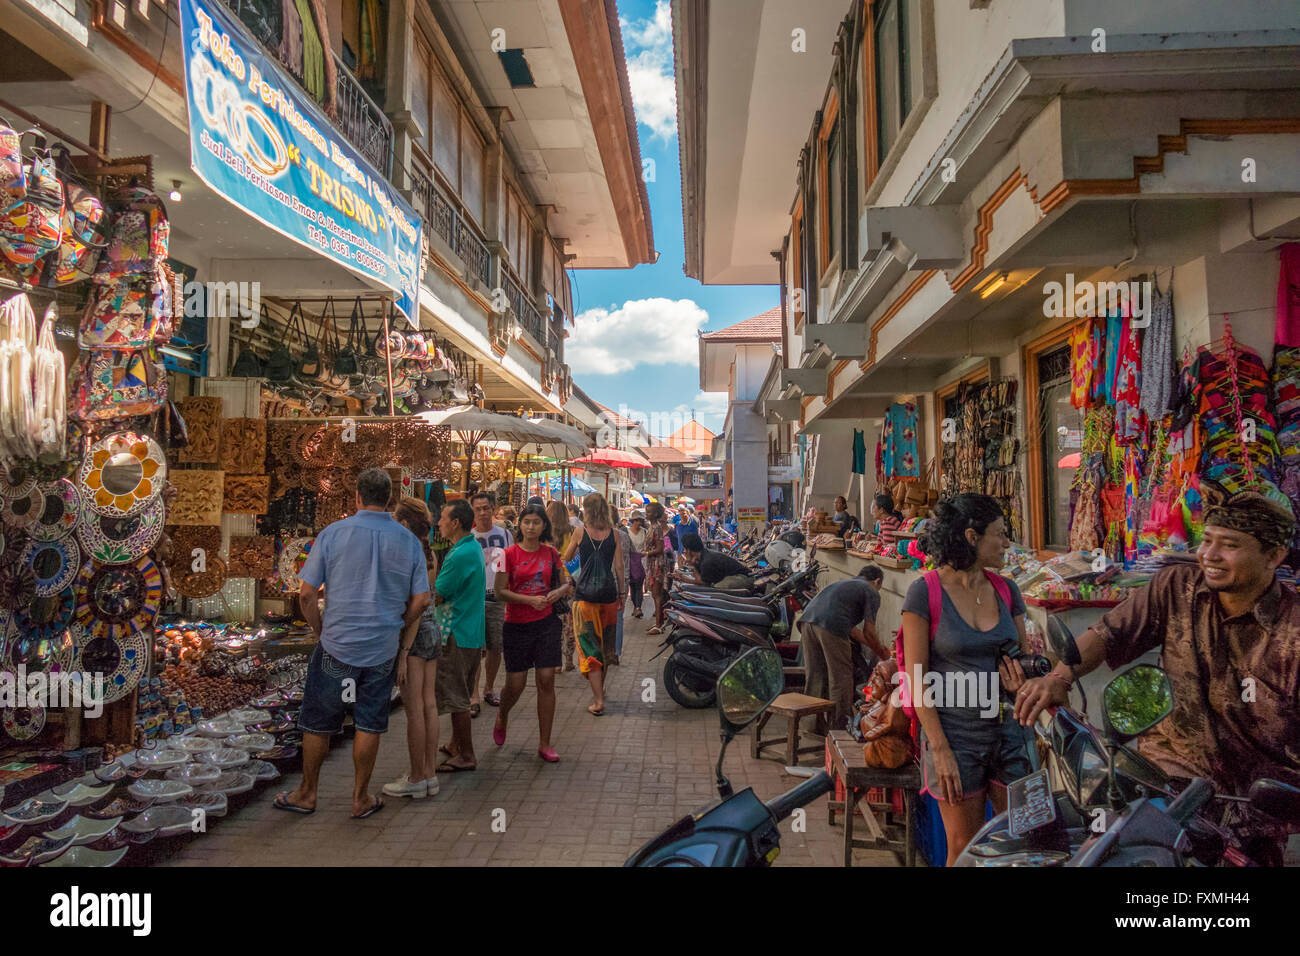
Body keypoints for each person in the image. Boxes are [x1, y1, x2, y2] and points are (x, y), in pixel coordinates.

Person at [1014, 491, 1300, 865]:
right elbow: (1108, 634)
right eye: (1207, 540)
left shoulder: (1293, 631)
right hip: (1161, 787)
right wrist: (1061, 676)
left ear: (1274, 556)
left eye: (1229, 545)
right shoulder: (1177, 588)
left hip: (1248, 811)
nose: (1209, 555)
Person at [277, 469, 429, 818]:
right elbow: (421, 600)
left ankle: (307, 793)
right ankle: (360, 797)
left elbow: (305, 594)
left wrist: (320, 630)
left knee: (318, 721)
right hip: (381, 650)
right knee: (369, 722)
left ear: (357, 497)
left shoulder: (333, 534)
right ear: (390, 499)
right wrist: (396, 625)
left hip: (336, 645)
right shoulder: (407, 541)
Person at [900, 493, 1030, 865]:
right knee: (965, 849)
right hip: (955, 738)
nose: (1007, 544)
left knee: (1019, 840)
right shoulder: (924, 592)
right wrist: (939, 749)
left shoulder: (1008, 590)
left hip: (1010, 734)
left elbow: (1024, 657)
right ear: (972, 537)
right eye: (1000, 534)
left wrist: (1026, 677)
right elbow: (917, 677)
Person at [493, 503, 570, 762]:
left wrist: (557, 592)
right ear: (521, 525)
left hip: (546, 623)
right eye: (527, 522)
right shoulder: (508, 554)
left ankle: (545, 742)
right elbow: (500, 591)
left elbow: (566, 582)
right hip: (516, 624)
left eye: (536, 522)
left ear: (543, 526)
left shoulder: (551, 553)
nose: (531, 526)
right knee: (516, 684)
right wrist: (528, 601)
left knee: (546, 679)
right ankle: (503, 714)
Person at [384, 497, 441, 799]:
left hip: (416, 635)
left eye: (395, 518)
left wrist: (403, 652)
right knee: (428, 704)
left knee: (414, 708)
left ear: (404, 523)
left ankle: (417, 776)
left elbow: (417, 606)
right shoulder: (427, 553)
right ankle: (429, 773)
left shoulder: (411, 553)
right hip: (433, 631)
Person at [798, 565, 889, 732]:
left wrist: (875, 647)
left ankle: (812, 727)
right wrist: (882, 653)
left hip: (807, 622)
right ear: (877, 581)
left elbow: (854, 632)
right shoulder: (871, 591)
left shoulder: (845, 584)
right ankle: (840, 729)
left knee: (816, 675)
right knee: (841, 679)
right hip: (831, 627)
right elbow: (869, 632)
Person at [432, 499, 487, 774]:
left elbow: (439, 593)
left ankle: (466, 754)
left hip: (456, 631)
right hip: (469, 631)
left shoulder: (460, 554)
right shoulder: (469, 547)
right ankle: (456, 744)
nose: (438, 522)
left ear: (455, 523)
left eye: (442, 518)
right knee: (461, 691)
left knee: (456, 697)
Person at [562, 492, 624, 715]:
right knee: (605, 646)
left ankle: (598, 701)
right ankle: (601, 689)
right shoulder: (615, 534)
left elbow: (567, 559)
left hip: (585, 598)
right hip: (608, 596)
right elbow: (619, 567)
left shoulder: (580, 532)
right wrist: (622, 593)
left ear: (586, 511)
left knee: (589, 647)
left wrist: (576, 573)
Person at [470, 491, 512, 713]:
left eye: (486, 508)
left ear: (493, 509)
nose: (483, 512)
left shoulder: (505, 535)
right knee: (476, 647)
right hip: (474, 599)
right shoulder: (468, 536)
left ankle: (489, 688)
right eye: (478, 509)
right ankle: (473, 694)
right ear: (473, 512)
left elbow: (512, 563)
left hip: (497, 598)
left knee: (496, 646)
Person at [548, 499, 578, 670]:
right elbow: (576, 558)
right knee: (569, 623)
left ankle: (556, 661)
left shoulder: (544, 534)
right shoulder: (573, 531)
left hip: (551, 582)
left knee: (554, 622)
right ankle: (568, 660)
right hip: (569, 580)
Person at [676, 533, 753, 590]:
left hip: (744, 578)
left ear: (689, 550)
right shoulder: (703, 555)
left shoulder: (707, 562)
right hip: (737, 577)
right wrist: (683, 577)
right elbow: (701, 579)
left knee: (716, 589)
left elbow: (704, 584)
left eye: (685, 549)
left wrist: (691, 568)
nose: (684, 551)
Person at [643, 501, 671, 635]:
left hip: (657, 564)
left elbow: (660, 548)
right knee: (655, 594)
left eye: (648, 512)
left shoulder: (657, 527)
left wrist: (646, 553)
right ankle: (658, 623)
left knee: (657, 594)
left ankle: (659, 625)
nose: (646, 514)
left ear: (655, 514)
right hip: (652, 562)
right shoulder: (652, 526)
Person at [612, 506, 633, 665]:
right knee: (618, 617)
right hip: (623, 579)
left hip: (608, 579)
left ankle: (606, 650)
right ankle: (615, 653)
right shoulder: (624, 536)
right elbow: (630, 555)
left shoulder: (600, 536)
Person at [626, 511, 647, 618]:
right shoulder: (626, 532)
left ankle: (638, 607)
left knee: (639, 585)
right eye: (637, 520)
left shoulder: (645, 532)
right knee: (632, 586)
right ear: (633, 521)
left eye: (640, 520)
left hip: (641, 561)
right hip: (629, 562)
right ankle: (635, 607)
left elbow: (647, 546)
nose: (639, 523)